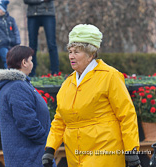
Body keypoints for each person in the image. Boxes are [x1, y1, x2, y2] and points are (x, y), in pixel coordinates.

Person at [42, 24, 141, 167]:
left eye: (76, 52)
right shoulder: (67, 83)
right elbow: (60, 120)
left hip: (105, 151)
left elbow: (126, 114)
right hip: (75, 155)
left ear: (91, 54)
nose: (71, 56)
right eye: (70, 51)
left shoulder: (110, 76)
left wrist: (131, 150)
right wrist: (50, 148)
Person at [0, 45, 56, 167]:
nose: (32, 63)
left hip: (30, 155)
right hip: (30, 157)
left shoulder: (18, 84)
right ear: (24, 62)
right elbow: (27, 122)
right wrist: (45, 140)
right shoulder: (17, 86)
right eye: (30, 60)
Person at [23, 0, 59, 76]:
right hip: (32, 14)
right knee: (32, 45)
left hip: (48, 13)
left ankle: (55, 73)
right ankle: (31, 73)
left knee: (52, 44)